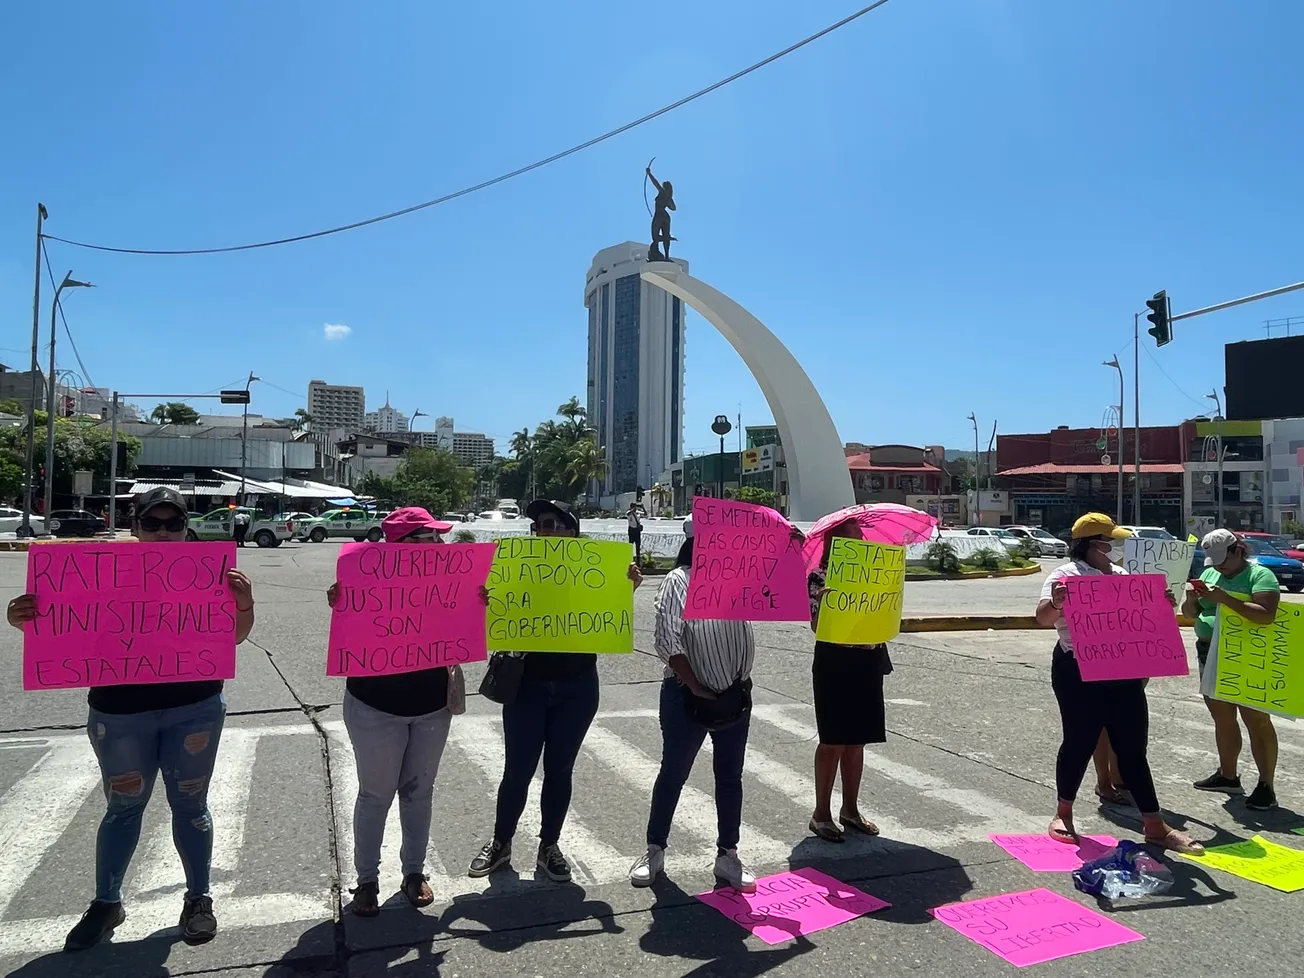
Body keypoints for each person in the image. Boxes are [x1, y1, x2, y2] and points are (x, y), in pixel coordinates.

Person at [6, 487, 256, 951]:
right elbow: (64, 631)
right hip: (120, 713)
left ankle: (199, 898)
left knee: (191, 807)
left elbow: (236, 638)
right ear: (136, 526)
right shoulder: (99, 572)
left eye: (173, 523)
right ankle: (107, 902)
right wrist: (25, 619)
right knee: (123, 809)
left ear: (187, 528)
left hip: (194, 707)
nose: (163, 532)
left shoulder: (210, 573)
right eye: (152, 523)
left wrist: (244, 602)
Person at [469, 499, 642, 882]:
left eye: (550, 523)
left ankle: (550, 845)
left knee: (560, 770)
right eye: (538, 525)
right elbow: (493, 609)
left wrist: (625, 584)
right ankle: (501, 843)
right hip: (526, 684)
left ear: (570, 531)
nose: (542, 530)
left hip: (577, 687)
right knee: (517, 770)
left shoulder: (593, 568)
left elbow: (607, 614)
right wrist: (484, 600)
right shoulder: (518, 567)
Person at [1035, 513, 1203, 853]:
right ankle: (1062, 814)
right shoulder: (1066, 575)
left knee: (1132, 748)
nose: (1117, 546)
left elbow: (1139, 622)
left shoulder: (1123, 575)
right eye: (1110, 540)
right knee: (1079, 742)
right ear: (1093, 544)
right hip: (1077, 671)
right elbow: (1042, 617)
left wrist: (1160, 606)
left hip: (1122, 671)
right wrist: (1057, 602)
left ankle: (1155, 825)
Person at [325, 507, 463, 915]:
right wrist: (341, 600)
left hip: (432, 705)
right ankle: (366, 879)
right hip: (375, 705)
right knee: (375, 794)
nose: (437, 546)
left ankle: (414, 872)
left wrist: (477, 602)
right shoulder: (365, 577)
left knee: (419, 792)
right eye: (427, 539)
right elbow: (351, 625)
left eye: (438, 539)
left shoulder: (449, 579)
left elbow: (469, 628)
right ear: (398, 547)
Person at [629, 519, 757, 891]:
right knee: (673, 773)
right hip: (687, 695)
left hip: (734, 694)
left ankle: (727, 856)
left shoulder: (736, 580)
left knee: (730, 778)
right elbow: (667, 642)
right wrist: (697, 686)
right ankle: (654, 850)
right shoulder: (677, 581)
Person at [1180, 528, 1282, 810]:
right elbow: (1191, 614)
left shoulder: (1261, 576)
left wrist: (1225, 599)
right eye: (1214, 561)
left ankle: (1266, 785)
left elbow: (1266, 616)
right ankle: (1228, 775)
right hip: (1209, 651)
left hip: (1248, 655)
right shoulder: (1212, 574)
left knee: (1256, 719)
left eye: (1223, 560)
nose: (1219, 567)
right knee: (1222, 717)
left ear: (1238, 550)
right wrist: (1190, 600)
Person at [806, 517, 887, 843]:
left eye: (862, 535)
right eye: (855, 535)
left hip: (868, 659)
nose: (862, 539)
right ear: (837, 541)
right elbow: (815, 625)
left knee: (857, 740)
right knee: (833, 740)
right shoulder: (818, 576)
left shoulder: (872, 573)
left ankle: (850, 810)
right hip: (834, 662)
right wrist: (825, 603)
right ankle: (821, 814)